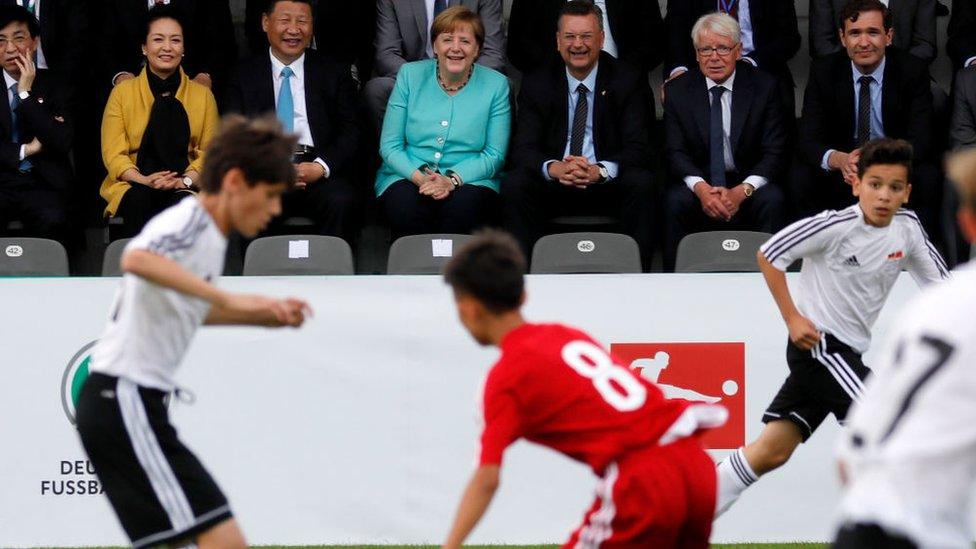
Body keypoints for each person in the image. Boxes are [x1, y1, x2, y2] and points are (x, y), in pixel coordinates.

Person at [75, 114, 310, 549]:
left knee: (218, 539)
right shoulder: (193, 220)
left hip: (129, 406)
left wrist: (262, 315)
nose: (276, 209)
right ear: (237, 181)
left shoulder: (211, 236)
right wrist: (233, 300)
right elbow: (136, 260)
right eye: (272, 196)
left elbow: (186, 310)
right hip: (123, 399)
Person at [441, 229, 727, 548]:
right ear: (523, 295)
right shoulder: (565, 334)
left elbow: (486, 478)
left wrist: (449, 545)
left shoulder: (504, 378)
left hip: (644, 478)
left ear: (468, 308)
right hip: (694, 462)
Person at [714, 138, 949, 518]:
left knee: (772, 450)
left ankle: (685, 509)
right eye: (875, 184)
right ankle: (899, 531)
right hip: (820, 348)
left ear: (907, 192)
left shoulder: (909, 228)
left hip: (848, 353)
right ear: (856, 185)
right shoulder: (834, 225)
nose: (883, 195)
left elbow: (944, 289)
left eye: (894, 187)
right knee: (886, 422)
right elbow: (769, 253)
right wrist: (793, 318)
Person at [832, 147, 976, 549]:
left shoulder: (930, 305)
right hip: (921, 532)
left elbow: (849, 456)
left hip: (864, 516)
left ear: (965, 224)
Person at [502, 0, 655, 266]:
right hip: (555, 183)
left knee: (643, 184)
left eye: (586, 36)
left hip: (607, 183)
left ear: (602, 38)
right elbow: (523, 148)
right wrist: (554, 168)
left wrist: (600, 171)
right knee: (515, 184)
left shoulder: (627, 79)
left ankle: (636, 277)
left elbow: (639, 147)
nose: (578, 45)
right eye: (570, 37)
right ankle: (523, 280)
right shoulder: (538, 81)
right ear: (558, 40)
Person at [225, 0, 362, 243]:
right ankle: (259, 280)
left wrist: (321, 167)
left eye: (302, 21)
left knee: (343, 200)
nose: (294, 29)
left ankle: (335, 277)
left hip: (317, 169)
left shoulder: (333, 71)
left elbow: (351, 131)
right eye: (285, 20)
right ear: (266, 23)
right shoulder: (243, 74)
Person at [795, 0, 937, 234]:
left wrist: (879, 162)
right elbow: (809, 138)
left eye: (872, 32)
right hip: (845, 165)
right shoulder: (824, 72)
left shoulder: (912, 70)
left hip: (892, 162)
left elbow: (921, 139)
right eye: (854, 33)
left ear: (888, 36)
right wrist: (839, 160)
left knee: (928, 177)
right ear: (842, 38)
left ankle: (917, 255)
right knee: (801, 178)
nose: (863, 42)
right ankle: (812, 259)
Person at [663, 12, 787, 271]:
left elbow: (774, 152)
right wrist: (702, 189)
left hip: (747, 181)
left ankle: (771, 282)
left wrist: (742, 191)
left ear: (738, 50)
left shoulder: (764, 87)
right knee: (674, 201)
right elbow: (675, 152)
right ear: (696, 54)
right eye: (706, 49)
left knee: (773, 199)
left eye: (722, 48)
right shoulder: (678, 91)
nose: (714, 57)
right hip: (701, 181)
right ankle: (673, 285)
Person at [375, 6, 509, 238]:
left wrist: (452, 181)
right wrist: (421, 178)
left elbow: (494, 155)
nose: (455, 48)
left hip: (470, 179)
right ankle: (409, 273)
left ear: (477, 49)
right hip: (408, 173)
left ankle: (459, 274)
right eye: (447, 39)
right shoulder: (409, 75)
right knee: (405, 209)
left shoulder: (496, 85)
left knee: (462, 211)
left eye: (465, 41)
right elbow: (390, 146)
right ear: (435, 46)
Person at [99, 5, 219, 238]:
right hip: (135, 183)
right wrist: (144, 179)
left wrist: (183, 181)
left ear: (184, 48)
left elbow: (211, 154)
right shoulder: (122, 93)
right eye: (158, 39)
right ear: (144, 47)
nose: (167, 48)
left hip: (187, 184)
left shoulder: (203, 95)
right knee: (139, 201)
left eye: (175, 40)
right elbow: (114, 155)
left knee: (185, 207)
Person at [366, 0, 505, 129]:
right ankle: (399, 151)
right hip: (413, 81)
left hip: (465, 78)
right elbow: (387, 54)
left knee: (503, 86)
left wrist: (459, 83)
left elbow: (492, 54)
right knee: (378, 89)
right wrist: (429, 82)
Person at [0, 4, 72, 242]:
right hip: (2, 180)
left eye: (18, 38)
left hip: (42, 182)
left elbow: (62, 141)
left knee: (54, 219)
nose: (10, 49)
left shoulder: (56, 85)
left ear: (35, 42)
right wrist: (25, 150)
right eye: (1, 41)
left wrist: (24, 95)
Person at [664, 0, 800, 123]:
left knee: (777, 101)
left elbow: (789, 38)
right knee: (678, 97)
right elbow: (674, 32)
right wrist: (678, 71)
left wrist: (748, 62)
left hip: (759, 66)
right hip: (702, 69)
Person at [98, 0, 236, 94]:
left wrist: (205, 76)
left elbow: (223, 43)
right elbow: (102, 43)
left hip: (193, 88)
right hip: (129, 92)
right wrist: (119, 76)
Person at [506, 0, 665, 75]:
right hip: (553, 85)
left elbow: (654, 45)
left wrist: (621, 74)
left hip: (623, 83)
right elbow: (518, 47)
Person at [244, 0, 375, 88]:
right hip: (272, 68)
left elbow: (365, 37)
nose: (294, 29)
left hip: (338, 63)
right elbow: (254, 33)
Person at [810, 0, 936, 65]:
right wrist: (855, 71)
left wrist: (891, 71)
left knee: (935, 98)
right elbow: (822, 44)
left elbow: (925, 45)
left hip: (903, 72)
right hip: (841, 72)